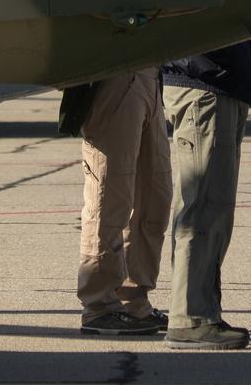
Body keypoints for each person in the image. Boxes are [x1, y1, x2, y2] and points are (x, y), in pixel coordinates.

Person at [161, 42, 251, 350]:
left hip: (220, 78)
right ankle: (190, 318)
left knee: (214, 208)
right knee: (203, 206)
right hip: (204, 79)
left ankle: (201, 313)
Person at [63, 68, 172, 337]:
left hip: (150, 73)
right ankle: (99, 304)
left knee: (154, 197)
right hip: (115, 72)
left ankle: (133, 300)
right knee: (110, 197)